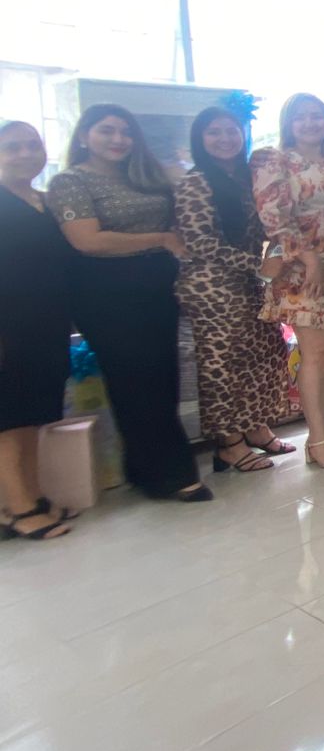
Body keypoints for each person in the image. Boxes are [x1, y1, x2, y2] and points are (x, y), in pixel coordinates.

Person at [48, 105, 210, 502]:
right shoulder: (70, 181)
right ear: (84, 136)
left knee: (163, 379)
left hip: (156, 290)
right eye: (107, 131)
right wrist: (160, 239)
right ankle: (173, 474)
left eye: (125, 132)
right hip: (106, 294)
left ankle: (143, 468)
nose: (118, 139)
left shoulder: (144, 175)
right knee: (135, 381)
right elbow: (87, 240)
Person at [175, 107, 292, 475]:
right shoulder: (195, 182)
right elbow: (199, 243)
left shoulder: (247, 177)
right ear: (200, 139)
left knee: (260, 356)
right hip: (212, 286)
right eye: (214, 132)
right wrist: (257, 265)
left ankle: (256, 428)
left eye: (231, 131)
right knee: (222, 366)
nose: (225, 139)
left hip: (249, 283)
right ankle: (229, 444)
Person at [252, 94, 324, 471]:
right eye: (301, 117)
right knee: (316, 350)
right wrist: (311, 260)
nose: (310, 123)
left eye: (317, 116)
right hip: (299, 268)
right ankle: (315, 439)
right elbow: (273, 219)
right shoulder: (274, 161)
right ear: (289, 123)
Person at [0, 121, 75, 538]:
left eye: (32, 145)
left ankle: (32, 495)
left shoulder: (43, 201)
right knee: (9, 420)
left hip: (45, 322)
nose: (25, 154)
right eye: (13, 147)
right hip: (8, 325)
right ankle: (18, 508)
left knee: (33, 416)